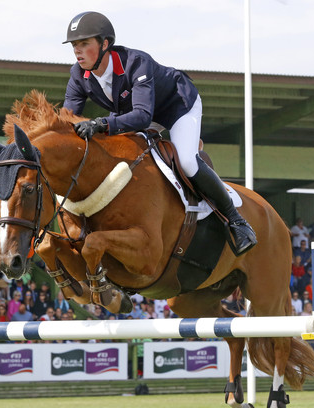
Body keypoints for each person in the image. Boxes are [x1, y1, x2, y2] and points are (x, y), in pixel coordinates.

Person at [62, 12, 256, 256]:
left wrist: (101, 123)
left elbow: (142, 116)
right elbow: (66, 120)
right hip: (140, 113)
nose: (77, 51)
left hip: (177, 105)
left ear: (104, 44)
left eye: (84, 44)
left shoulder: (136, 62)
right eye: (74, 46)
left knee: (185, 161)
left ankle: (237, 221)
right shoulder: (78, 76)